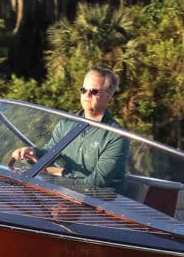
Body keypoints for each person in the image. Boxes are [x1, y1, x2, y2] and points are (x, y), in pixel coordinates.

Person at [10, 66, 129, 194]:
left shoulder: (116, 136)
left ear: (107, 96)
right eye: (83, 90)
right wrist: (31, 152)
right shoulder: (66, 125)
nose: (86, 95)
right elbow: (49, 153)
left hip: (103, 204)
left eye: (94, 92)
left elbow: (97, 182)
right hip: (68, 193)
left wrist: (65, 193)